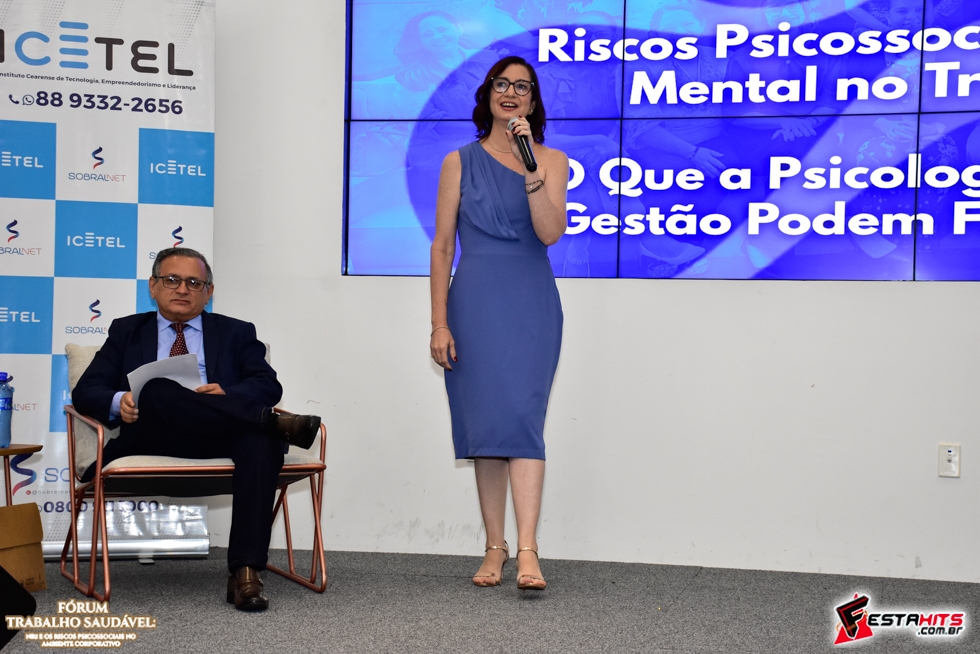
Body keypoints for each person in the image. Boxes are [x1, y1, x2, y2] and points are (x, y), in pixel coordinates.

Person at [72, 247, 321, 612]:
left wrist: (226, 395)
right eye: (172, 280)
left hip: (220, 436)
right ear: (153, 286)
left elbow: (267, 385)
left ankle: (246, 573)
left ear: (209, 292)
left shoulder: (236, 332)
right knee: (156, 389)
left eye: (194, 282)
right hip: (152, 436)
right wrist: (119, 400)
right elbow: (86, 391)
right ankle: (271, 423)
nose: (182, 289)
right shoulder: (126, 331)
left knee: (260, 444)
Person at [429, 56, 567, 591]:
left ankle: (528, 549)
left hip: (530, 303)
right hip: (474, 303)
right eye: (502, 84)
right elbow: (443, 248)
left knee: (522, 421)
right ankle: (495, 546)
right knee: (485, 428)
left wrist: (531, 170)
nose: (511, 93)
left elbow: (550, 233)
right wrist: (439, 323)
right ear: (488, 94)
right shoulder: (457, 162)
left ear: (533, 102)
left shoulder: (550, 160)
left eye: (523, 87)